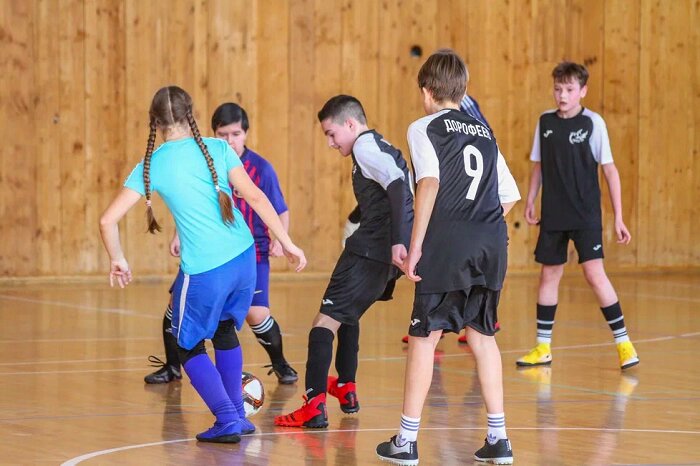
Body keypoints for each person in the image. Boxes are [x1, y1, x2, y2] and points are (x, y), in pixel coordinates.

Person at [99, 86, 306, 443]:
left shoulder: (153, 164)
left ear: (154, 122)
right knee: (224, 331)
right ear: (191, 114)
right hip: (244, 258)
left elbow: (107, 220)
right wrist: (287, 243)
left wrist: (118, 259)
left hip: (207, 269)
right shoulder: (218, 148)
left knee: (186, 345)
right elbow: (256, 197)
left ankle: (226, 418)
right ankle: (238, 415)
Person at [376, 49, 520, 465]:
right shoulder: (484, 132)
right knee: (482, 336)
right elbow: (509, 195)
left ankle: (406, 441)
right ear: (462, 90)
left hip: (448, 244)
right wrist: (478, 227)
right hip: (491, 244)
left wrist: (417, 245)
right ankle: (499, 438)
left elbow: (429, 183)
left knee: (425, 338)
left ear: (427, 91)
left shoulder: (424, 127)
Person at [274, 95, 414, 428]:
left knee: (323, 323)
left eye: (331, 134)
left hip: (369, 251)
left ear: (350, 124)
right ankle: (346, 387)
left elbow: (398, 187)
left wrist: (398, 241)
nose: (330, 143)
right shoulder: (380, 145)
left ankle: (313, 407)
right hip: (380, 252)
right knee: (348, 315)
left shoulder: (365, 147)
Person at [144, 103, 298, 385]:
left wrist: (281, 239)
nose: (230, 140)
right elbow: (192, 205)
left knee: (256, 314)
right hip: (205, 252)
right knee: (175, 305)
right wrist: (178, 235)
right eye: (223, 134)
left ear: (246, 133)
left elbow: (278, 209)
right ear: (213, 133)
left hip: (250, 253)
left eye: (236, 134)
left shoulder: (261, 168)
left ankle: (280, 363)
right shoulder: (207, 160)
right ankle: (172, 366)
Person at [516, 61, 639, 371]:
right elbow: (538, 166)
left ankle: (624, 344)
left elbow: (609, 171)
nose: (562, 95)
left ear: (583, 91)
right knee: (548, 276)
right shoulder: (545, 122)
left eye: (569, 90)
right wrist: (530, 199)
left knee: (595, 274)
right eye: (558, 89)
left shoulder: (593, 123)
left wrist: (619, 217)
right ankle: (543, 347)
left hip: (585, 215)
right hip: (553, 215)